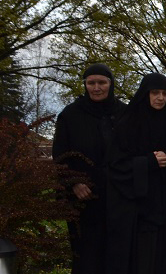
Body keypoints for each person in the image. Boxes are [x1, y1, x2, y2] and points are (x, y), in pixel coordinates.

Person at [106, 73, 166, 274]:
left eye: (165, 94)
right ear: (145, 95)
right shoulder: (127, 124)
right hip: (136, 208)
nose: (161, 98)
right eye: (155, 93)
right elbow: (116, 164)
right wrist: (148, 162)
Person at [53, 64, 127, 274]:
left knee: (116, 254)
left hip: (117, 197)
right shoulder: (70, 115)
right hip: (83, 199)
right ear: (85, 85)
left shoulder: (124, 113)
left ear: (110, 85)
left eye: (101, 83)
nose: (96, 88)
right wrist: (73, 182)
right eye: (91, 83)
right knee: (86, 256)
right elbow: (60, 154)